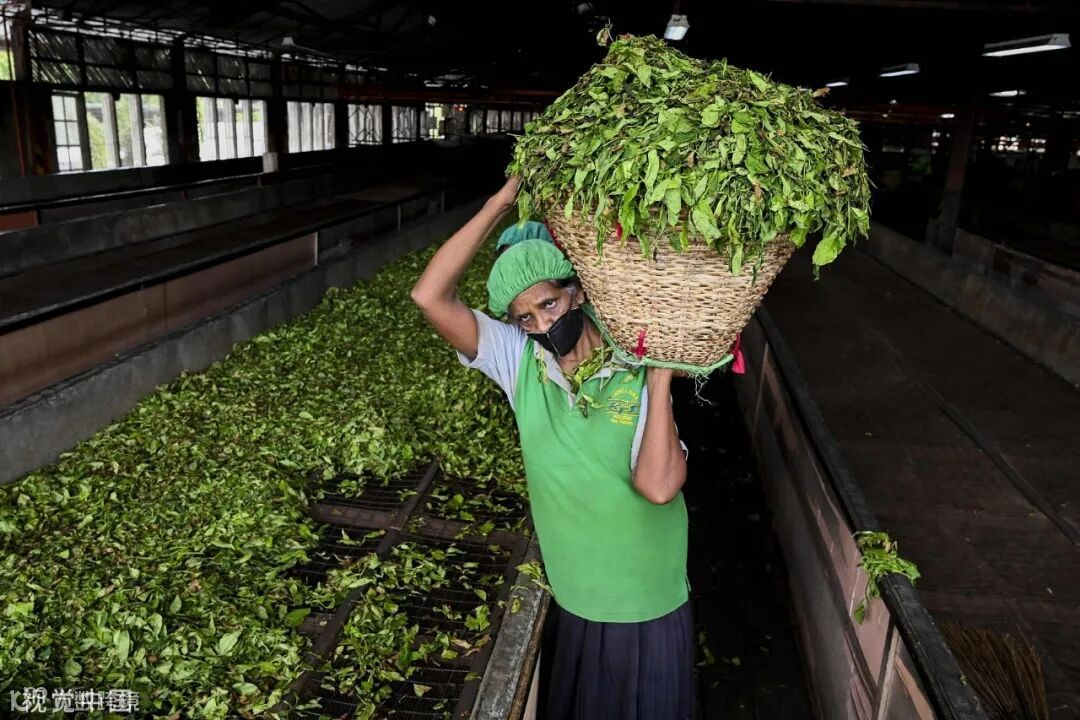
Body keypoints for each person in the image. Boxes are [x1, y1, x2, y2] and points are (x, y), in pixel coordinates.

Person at [410, 175, 695, 720]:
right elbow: (429, 295)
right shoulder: (519, 362)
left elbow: (659, 487)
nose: (543, 324)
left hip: (646, 600)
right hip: (577, 598)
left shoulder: (633, 363)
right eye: (525, 317)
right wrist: (498, 203)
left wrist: (658, 380)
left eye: (550, 304)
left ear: (577, 292)